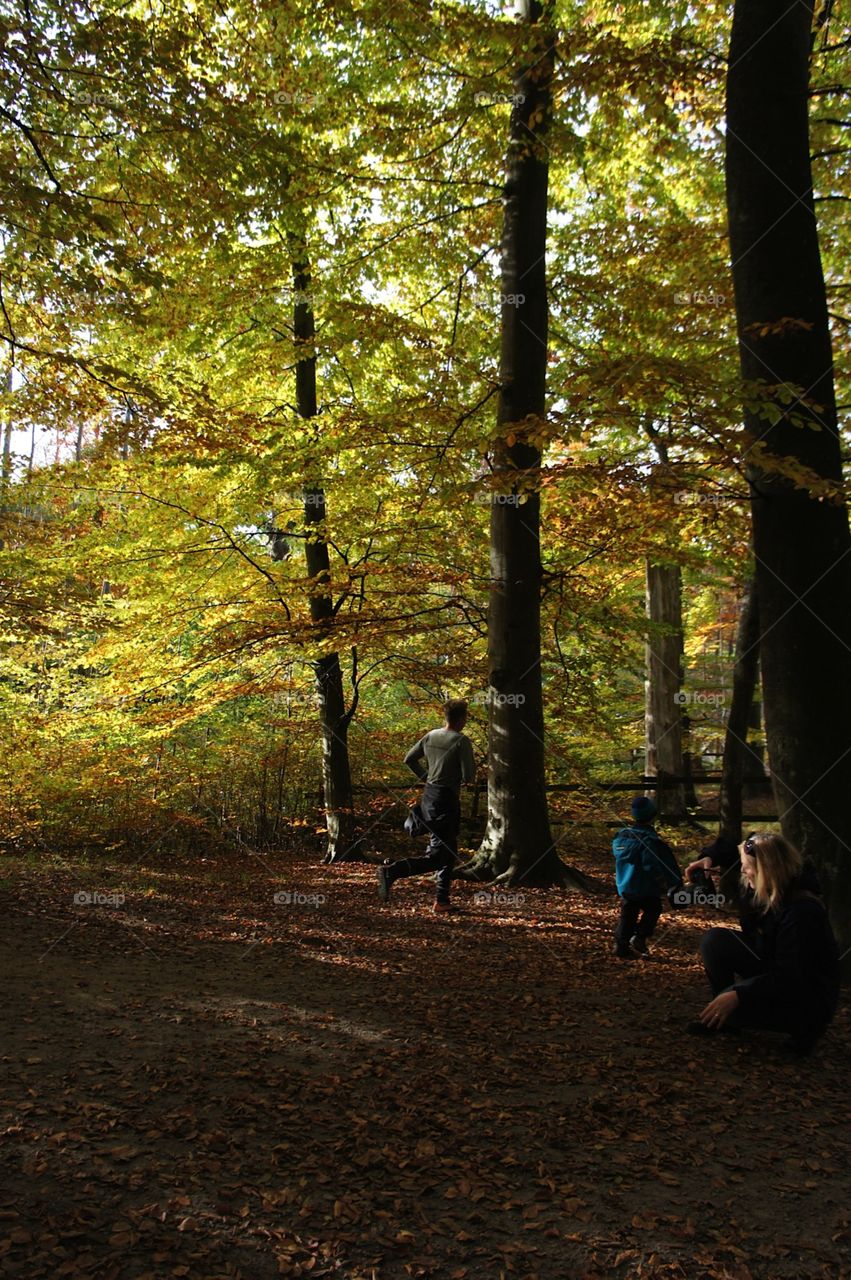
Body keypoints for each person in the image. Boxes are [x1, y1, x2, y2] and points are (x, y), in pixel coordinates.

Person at [688, 831, 841, 1054]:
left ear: (765, 869)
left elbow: (793, 975)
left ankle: (804, 1029)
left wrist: (739, 994)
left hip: (807, 995)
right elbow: (732, 845)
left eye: (747, 866)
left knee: (733, 1006)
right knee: (716, 940)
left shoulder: (802, 912)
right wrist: (709, 857)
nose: (742, 870)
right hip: (773, 964)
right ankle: (723, 1018)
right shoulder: (770, 882)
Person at [377, 699, 475, 913]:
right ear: (461, 719)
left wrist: (426, 777)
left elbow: (408, 759)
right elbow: (469, 777)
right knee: (440, 855)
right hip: (447, 800)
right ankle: (393, 871)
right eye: (465, 717)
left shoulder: (431, 736)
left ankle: (442, 901)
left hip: (429, 796)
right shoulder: (461, 741)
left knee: (447, 851)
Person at [612, 796, 682, 958]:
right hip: (644, 887)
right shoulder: (648, 840)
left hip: (625, 885)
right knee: (654, 908)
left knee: (627, 915)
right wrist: (663, 883)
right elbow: (650, 865)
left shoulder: (621, 836)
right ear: (652, 816)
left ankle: (621, 945)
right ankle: (640, 937)